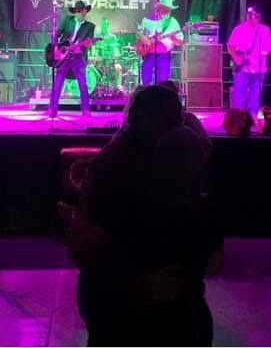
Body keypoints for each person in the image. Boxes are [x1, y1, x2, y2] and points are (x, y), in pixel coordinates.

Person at [63, 85, 222, 345]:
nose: (176, 124)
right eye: (170, 118)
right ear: (144, 117)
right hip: (125, 296)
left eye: (179, 118)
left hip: (124, 294)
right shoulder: (127, 163)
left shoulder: (146, 151)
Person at [227, 6, 271, 117]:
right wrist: (236, 58)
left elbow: (266, 49)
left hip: (259, 69)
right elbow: (230, 46)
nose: (251, 17)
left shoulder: (265, 30)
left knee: (255, 97)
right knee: (239, 96)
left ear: (259, 17)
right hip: (242, 68)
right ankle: (238, 118)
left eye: (254, 15)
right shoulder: (239, 29)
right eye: (249, 14)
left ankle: (252, 117)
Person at [49, 0, 96, 118]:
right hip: (63, 57)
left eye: (82, 11)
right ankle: (52, 109)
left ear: (85, 11)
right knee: (58, 82)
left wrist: (86, 44)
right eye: (78, 11)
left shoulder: (90, 26)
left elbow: (88, 42)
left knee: (82, 83)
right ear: (75, 12)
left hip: (78, 57)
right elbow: (57, 34)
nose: (80, 13)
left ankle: (86, 110)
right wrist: (56, 48)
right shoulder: (67, 20)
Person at [137, 0, 184, 85]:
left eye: (169, 9)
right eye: (165, 8)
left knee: (162, 83)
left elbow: (180, 41)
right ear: (159, 7)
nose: (167, 11)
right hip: (148, 54)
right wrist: (142, 38)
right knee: (146, 82)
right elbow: (140, 34)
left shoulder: (173, 22)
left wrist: (174, 39)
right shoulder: (147, 20)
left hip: (164, 56)